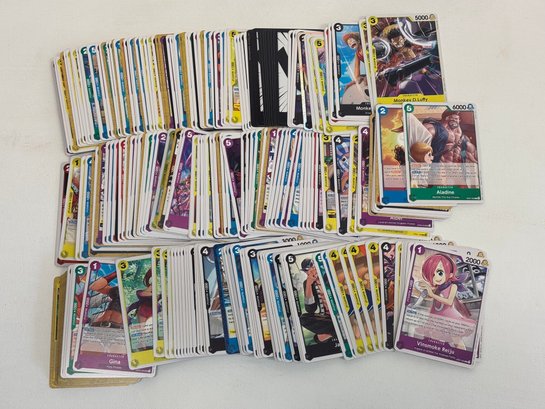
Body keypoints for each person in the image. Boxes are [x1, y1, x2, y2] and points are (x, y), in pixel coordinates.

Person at [417, 253, 475, 349]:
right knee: (432, 340)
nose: (436, 277)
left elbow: (449, 302)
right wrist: (426, 290)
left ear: (450, 274)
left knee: (457, 341)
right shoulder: (437, 288)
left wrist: (432, 294)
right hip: (436, 319)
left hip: (450, 319)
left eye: (440, 273)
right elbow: (433, 300)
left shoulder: (453, 286)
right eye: (432, 275)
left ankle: (461, 356)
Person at [298, 258, 336, 344]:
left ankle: (336, 330)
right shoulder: (307, 282)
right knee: (303, 318)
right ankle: (338, 329)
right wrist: (309, 284)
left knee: (319, 338)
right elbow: (311, 309)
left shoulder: (329, 275)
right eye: (306, 271)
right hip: (327, 318)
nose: (308, 273)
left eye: (310, 269)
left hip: (341, 312)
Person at [341, 32, 369, 100]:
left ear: (358, 41)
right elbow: (357, 67)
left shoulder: (366, 48)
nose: (350, 43)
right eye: (349, 43)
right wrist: (356, 79)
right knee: (349, 86)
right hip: (370, 72)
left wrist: (369, 76)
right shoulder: (357, 53)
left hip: (378, 69)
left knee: (366, 82)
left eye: (351, 40)